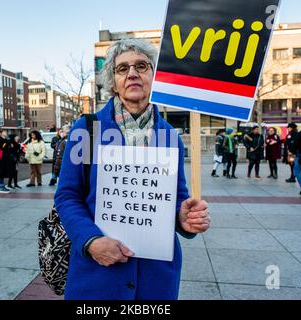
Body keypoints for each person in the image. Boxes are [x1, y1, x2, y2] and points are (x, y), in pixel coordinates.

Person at [54, 39, 211, 300]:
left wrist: (184, 217)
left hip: (155, 278)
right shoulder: (87, 129)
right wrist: (91, 241)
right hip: (98, 274)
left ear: (154, 75)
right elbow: (67, 196)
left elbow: (177, 196)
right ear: (113, 81)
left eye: (141, 65)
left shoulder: (169, 135)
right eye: (122, 68)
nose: (132, 73)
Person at [0, 129, 11, 193]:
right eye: (4, 132)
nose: (6, 132)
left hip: (4, 159)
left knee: (2, 173)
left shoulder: (5, 139)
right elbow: (3, 147)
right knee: (0, 173)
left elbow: (8, 147)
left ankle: (2, 186)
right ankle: (1, 187)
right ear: (1, 133)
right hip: (0, 159)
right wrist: (7, 142)